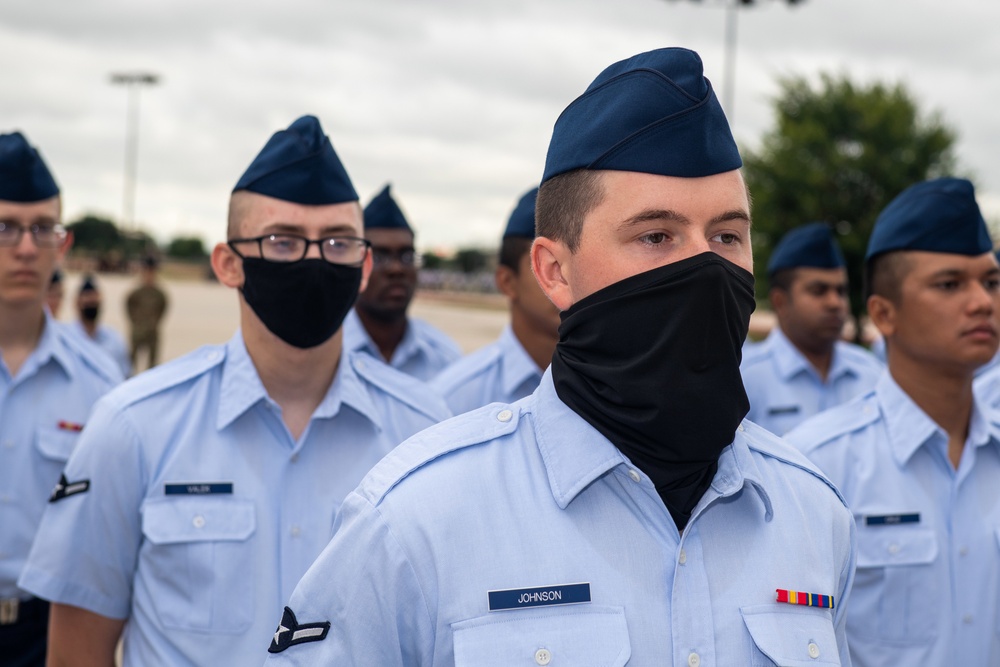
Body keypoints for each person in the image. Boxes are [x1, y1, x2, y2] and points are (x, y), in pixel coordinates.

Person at [265, 49, 854, 665]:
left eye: (727, 236)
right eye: (656, 236)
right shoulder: (417, 521)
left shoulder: (813, 516)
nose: (704, 267)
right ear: (554, 271)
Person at [18, 115, 451, 667]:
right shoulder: (134, 429)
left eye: (338, 242)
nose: (314, 260)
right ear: (228, 263)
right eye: (283, 240)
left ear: (363, 265)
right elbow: (79, 649)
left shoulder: (426, 436)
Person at [785, 177, 1000, 666]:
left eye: (991, 281)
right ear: (884, 314)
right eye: (950, 284)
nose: (982, 302)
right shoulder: (815, 467)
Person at [0, 131, 122, 666]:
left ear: (62, 243)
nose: (26, 248)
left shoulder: (101, 384)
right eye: (5, 227)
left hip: (48, 634)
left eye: (42, 228)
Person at [740, 222, 882, 435]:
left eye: (841, 291)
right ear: (780, 302)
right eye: (819, 291)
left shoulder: (871, 374)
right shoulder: (745, 380)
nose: (835, 303)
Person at [432, 187, 560, 414]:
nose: (570, 278)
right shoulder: (450, 401)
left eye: (577, 261)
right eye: (552, 262)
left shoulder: (619, 386)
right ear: (507, 282)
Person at [342, 184, 461, 381]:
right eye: (380, 257)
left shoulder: (444, 358)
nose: (396, 269)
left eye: (406, 256)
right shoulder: (328, 354)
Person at [71, 275, 132, 378]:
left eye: (94, 298)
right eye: (87, 298)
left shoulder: (114, 340)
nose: (91, 301)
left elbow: (125, 374)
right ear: (77, 302)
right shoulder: (68, 339)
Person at [125, 255, 168, 370]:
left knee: (153, 365)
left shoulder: (159, 293)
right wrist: (135, 321)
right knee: (131, 363)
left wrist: (155, 322)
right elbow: (129, 306)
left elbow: (163, 308)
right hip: (137, 330)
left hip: (152, 331)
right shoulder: (136, 292)